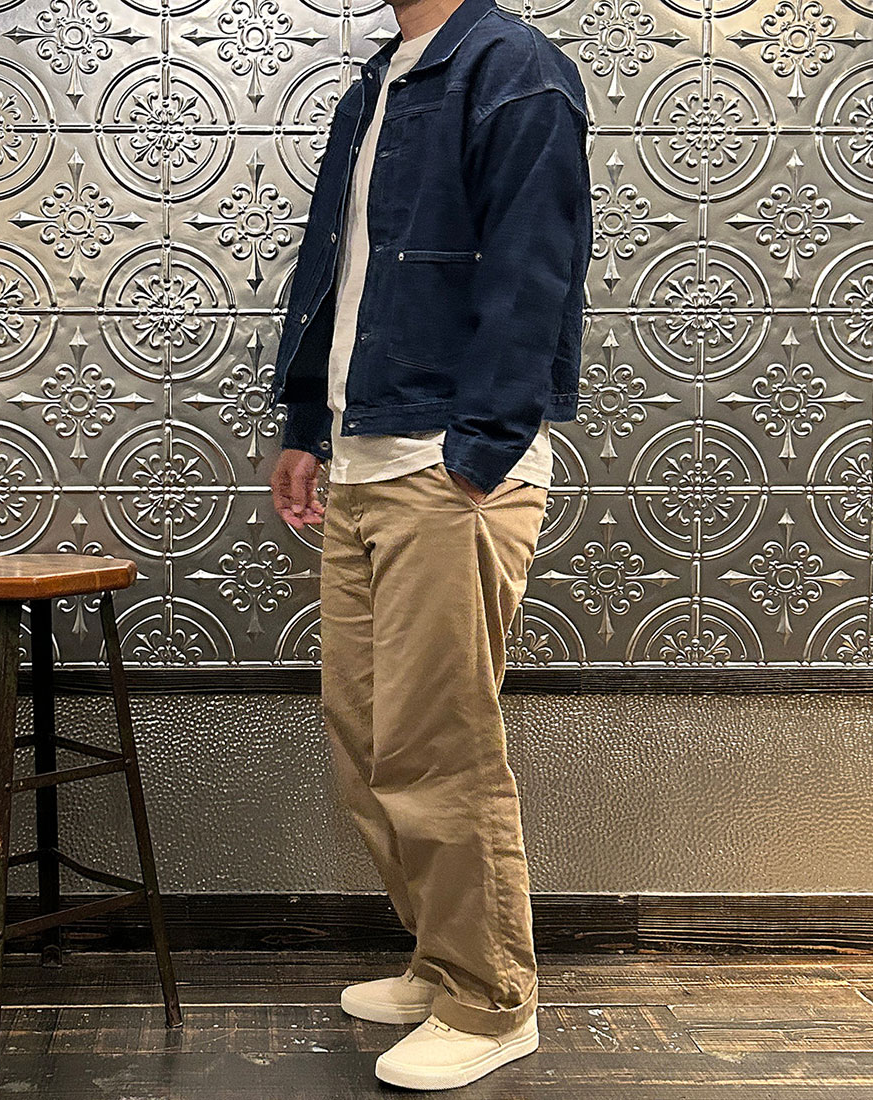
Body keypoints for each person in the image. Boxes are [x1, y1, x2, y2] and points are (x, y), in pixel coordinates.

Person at [268, 0, 591, 1087]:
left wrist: (480, 449)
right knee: (367, 739)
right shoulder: (379, 81)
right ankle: (440, 956)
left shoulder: (513, 69)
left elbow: (535, 267)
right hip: (364, 455)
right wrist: (306, 425)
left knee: (436, 744)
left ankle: (490, 998)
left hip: (446, 468)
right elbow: (337, 270)